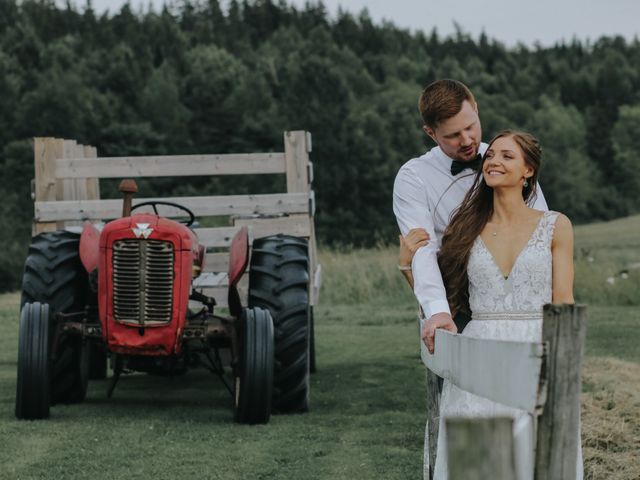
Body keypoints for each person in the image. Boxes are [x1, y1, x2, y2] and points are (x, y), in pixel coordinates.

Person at [401, 130, 583, 479]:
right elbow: (445, 301)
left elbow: (564, 303)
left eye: (507, 156)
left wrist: (565, 365)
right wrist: (407, 265)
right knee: (478, 464)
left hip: (536, 351)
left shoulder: (556, 226)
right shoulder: (465, 228)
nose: (494, 161)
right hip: (479, 358)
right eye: (491, 155)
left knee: (535, 460)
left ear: (528, 170)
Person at [393, 79, 548, 342]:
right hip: (457, 303)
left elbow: (541, 234)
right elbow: (423, 249)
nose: (466, 140)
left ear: (475, 109)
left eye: (470, 127)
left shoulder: (510, 160)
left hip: (522, 300)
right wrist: (438, 311)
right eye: (453, 135)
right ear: (430, 133)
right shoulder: (414, 177)